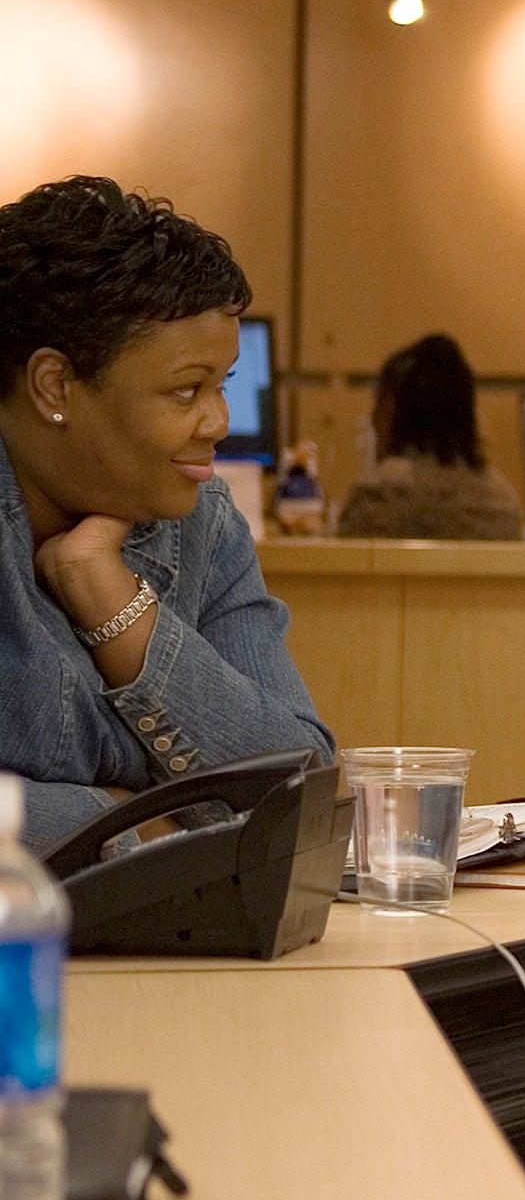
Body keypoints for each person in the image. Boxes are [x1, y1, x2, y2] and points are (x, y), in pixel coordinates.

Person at [0, 176, 332, 852]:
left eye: (223, 384)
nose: (219, 421)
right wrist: (133, 825)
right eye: (187, 390)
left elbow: (301, 795)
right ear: (54, 386)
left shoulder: (200, 518)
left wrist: (113, 603)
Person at [334, 334, 525, 540]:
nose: (371, 418)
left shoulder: (373, 498)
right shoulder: (503, 506)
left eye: (376, 402)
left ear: (389, 407)